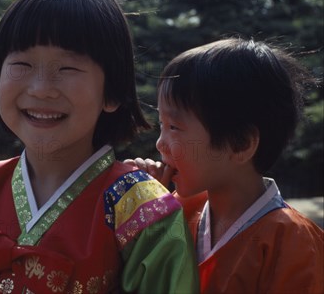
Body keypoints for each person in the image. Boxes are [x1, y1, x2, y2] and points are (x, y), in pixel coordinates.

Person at [0, 0, 199, 293]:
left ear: (112, 92)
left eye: (67, 69)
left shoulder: (142, 210)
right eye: (22, 64)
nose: (40, 89)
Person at [127, 38, 324, 293]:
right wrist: (143, 212)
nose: (160, 144)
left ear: (241, 144)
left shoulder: (293, 241)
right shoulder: (175, 211)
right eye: (161, 125)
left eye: (174, 127)